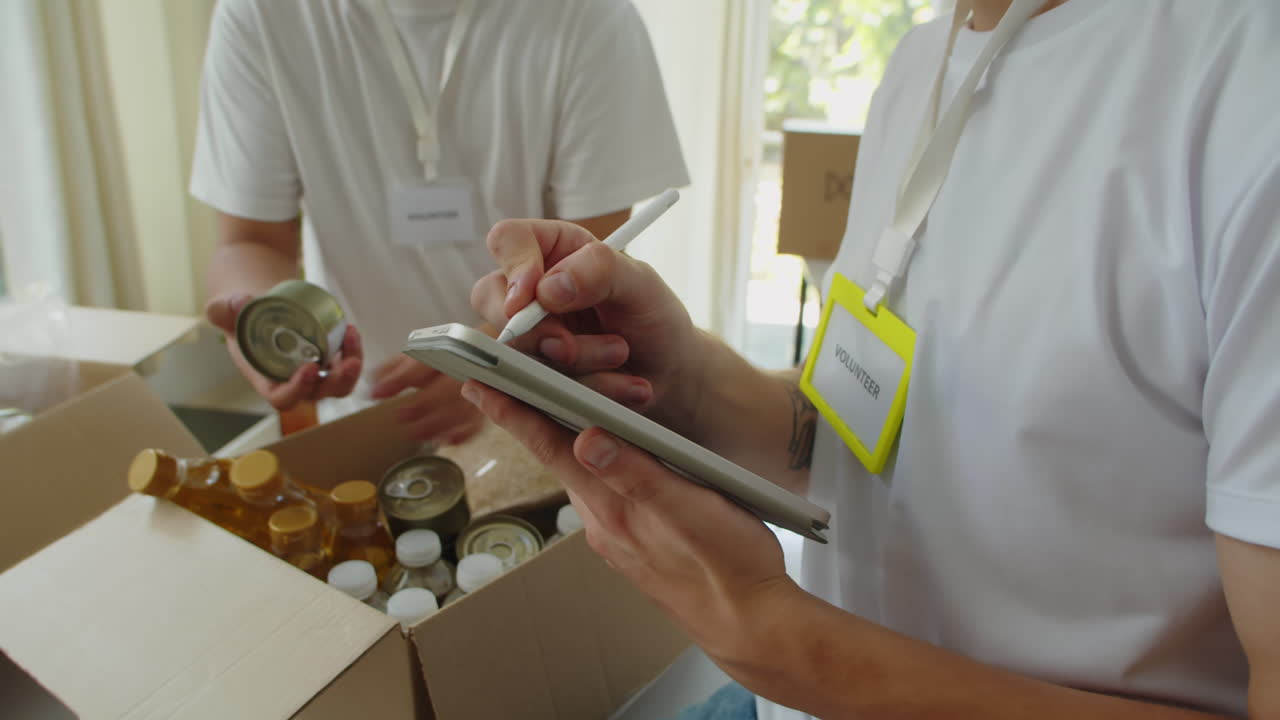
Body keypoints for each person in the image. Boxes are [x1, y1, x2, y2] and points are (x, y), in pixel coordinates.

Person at [462, 0, 1280, 717]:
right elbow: (867, 437)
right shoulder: (928, 59)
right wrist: (682, 376)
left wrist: (802, 655)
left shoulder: (1242, 93)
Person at [190, 0, 688, 443]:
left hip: (540, 406)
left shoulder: (591, 17)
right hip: (365, 411)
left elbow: (586, 263)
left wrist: (497, 362)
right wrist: (262, 320)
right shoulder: (260, 14)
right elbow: (250, 242)